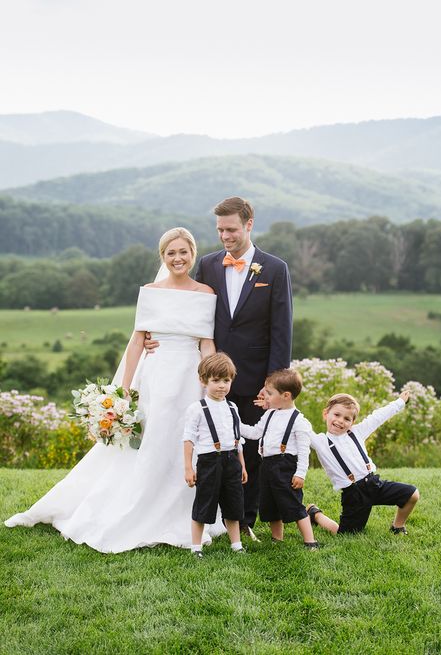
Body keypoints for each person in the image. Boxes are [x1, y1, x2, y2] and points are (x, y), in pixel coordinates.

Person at [5, 227, 226, 552]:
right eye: (171, 253)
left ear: (193, 254)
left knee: (182, 440)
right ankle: (133, 507)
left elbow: (207, 344)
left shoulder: (206, 293)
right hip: (155, 375)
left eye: (183, 252)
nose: (178, 258)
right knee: (149, 439)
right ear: (163, 257)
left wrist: (212, 384)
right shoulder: (151, 291)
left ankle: (183, 511)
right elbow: (138, 341)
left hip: (189, 378)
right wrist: (121, 394)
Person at [145, 197, 293, 540]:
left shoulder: (274, 268)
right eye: (220, 230)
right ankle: (212, 518)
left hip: (256, 378)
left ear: (249, 224)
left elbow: (282, 330)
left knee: (251, 454)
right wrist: (156, 338)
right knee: (214, 451)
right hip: (210, 379)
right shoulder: (209, 265)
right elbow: (187, 310)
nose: (225, 236)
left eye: (231, 229)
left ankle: (245, 523)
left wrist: (272, 384)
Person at [306, 391, 420, 535]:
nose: (340, 421)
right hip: (354, 494)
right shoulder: (320, 442)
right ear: (325, 414)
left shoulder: (357, 432)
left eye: (347, 418)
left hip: (374, 484)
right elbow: (300, 424)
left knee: (412, 494)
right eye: (336, 415)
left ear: (352, 422)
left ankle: (397, 527)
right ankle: (315, 514)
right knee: (345, 534)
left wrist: (400, 402)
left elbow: (378, 417)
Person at [239, 369, 319, 551]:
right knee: (269, 504)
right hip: (266, 466)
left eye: (269, 393)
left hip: (285, 467)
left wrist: (300, 474)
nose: (265, 396)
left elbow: (304, 451)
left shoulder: (299, 421)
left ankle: (310, 541)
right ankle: (277, 539)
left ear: (286, 395)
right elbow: (255, 432)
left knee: (293, 503)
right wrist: (236, 425)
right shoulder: (270, 414)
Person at [183, 353, 248, 558]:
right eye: (216, 380)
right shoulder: (197, 409)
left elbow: (238, 439)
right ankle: (196, 547)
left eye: (226, 381)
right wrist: (188, 467)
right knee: (204, 503)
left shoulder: (232, 407)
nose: (222, 386)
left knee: (233, 503)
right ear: (203, 381)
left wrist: (242, 466)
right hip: (209, 462)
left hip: (231, 461)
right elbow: (188, 439)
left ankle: (236, 544)